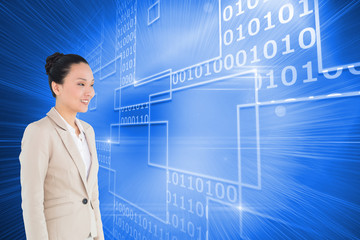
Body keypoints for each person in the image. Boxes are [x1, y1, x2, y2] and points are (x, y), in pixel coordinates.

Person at [19, 52, 104, 240]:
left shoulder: (88, 132)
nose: (90, 92)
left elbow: (93, 197)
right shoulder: (39, 132)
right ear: (56, 87)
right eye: (81, 84)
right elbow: (32, 204)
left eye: (91, 84)